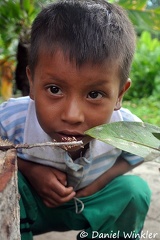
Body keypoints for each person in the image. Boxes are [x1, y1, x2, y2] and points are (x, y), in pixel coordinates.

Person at [0, 0, 151, 239]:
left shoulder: (126, 128)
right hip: (31, 206)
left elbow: (143, 152)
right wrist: (29, 169)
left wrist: (96, 186)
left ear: (119, 94)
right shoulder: (13, 116)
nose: (72, 115)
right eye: (54, 89)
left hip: (89, 204)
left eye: (94, 94)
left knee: (134, 191)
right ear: (31, 81)